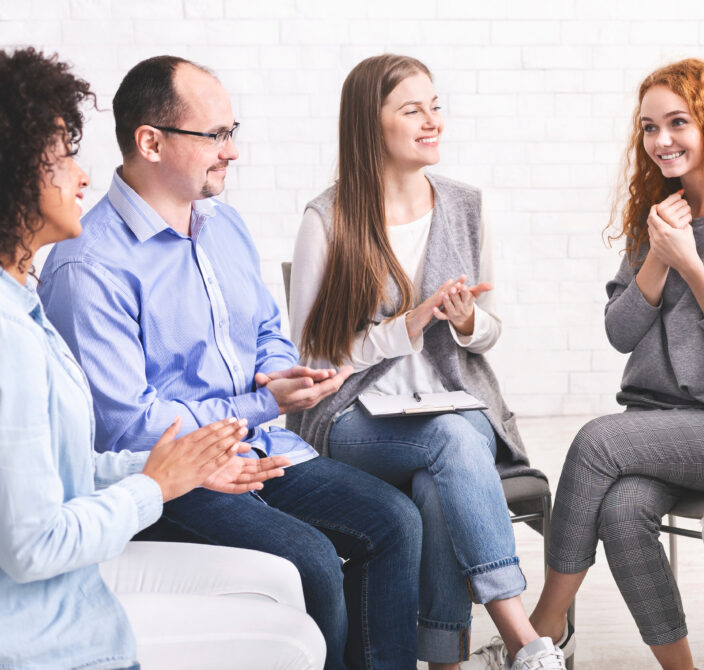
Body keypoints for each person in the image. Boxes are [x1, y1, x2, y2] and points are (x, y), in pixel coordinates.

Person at [39, 55, 421, 670]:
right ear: (151, 142)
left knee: (395, 521)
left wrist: (280, 373)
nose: (232, 151)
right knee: (312, 559)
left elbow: (268, 329)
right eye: (216, 135)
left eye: (231, 132)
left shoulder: (225, 226)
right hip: (175, 476)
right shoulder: (91, 267)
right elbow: (128, 427)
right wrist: (261, 403)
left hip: (260, 449)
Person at [0, 47, 323, 670]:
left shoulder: (24, 302)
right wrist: (158, 483)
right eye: (63, 157)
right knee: (293, 631)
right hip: (48, 626)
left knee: (293, 589)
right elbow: (33, 541)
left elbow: (69, 468)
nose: (83, 175)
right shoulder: (34, 312)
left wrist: (183, 467)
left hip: (114, 539)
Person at [473, 58, 704, 670]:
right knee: (623, 512)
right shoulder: (657, 217)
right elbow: (620, 334)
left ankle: (544, 629)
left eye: (677, 123)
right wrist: (658, 255)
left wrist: (693, 266)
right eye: (649, 127)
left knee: (595, 442)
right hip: (658, 428)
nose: (661, 140)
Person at [287, 54, 563, 670]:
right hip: (349, 416)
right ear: (370, 124)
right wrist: (404, 327)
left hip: (454, 406)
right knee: (449, 443)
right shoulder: (327, 220)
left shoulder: (468, 205)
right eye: (412, 109)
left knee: (442, 478)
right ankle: (523, 639)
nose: (431, 121)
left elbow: (489, 333)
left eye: (435, 106)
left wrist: (465, 322)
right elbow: (309, 358)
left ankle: (447, 661)